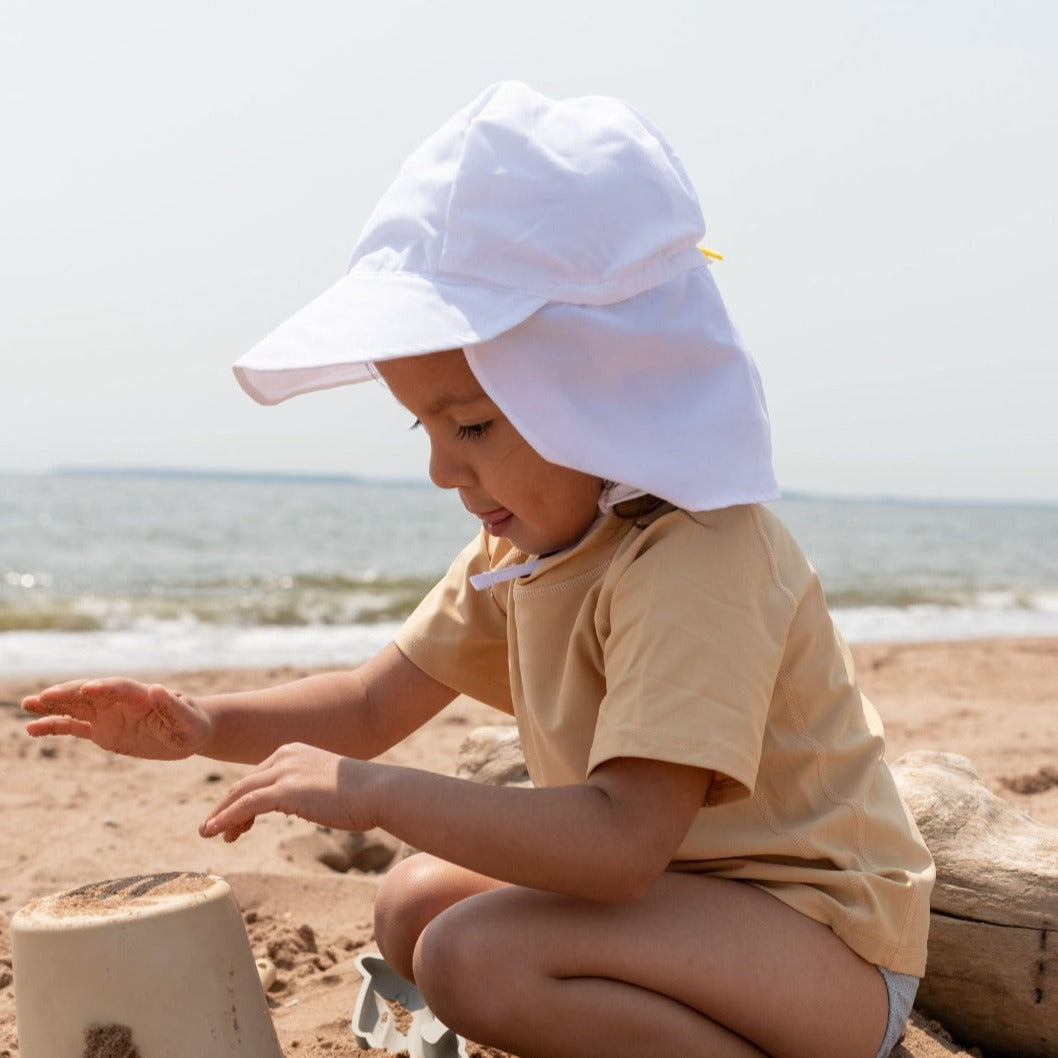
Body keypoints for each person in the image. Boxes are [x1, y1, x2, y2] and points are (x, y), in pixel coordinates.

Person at [22, 81, 933, 1058]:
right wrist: (201, 723)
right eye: (421, 425)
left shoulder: (697, 555)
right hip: (682, 906)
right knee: (412, 903)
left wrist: (373, 793)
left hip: (819, 945)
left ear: (604, 389)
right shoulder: (524, 550)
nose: (440, 469)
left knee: (473, 956)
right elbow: (369, 702)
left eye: (471, 425)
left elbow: (621, 845)